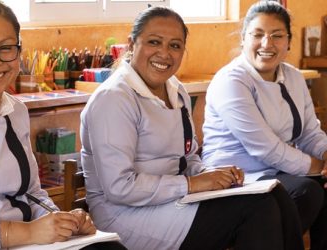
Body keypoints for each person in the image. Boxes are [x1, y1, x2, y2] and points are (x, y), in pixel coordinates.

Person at [80, 5, 304, 250]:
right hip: (125, 216)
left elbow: (187, 159)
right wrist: (192, 185)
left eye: (175, 46)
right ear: (132, 45)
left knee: (276, 195)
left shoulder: (176, 90)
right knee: (255, 209)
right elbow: (119, 188)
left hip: (173, 201)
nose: (164, 54)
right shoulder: (114, 99)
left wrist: (215, 174)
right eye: (154, 42)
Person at [0, 1, 126, 249]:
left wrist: (61, 221)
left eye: (6, 48)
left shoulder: (15, 110)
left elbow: (32, 193)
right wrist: (27, 233)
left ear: (19, 52)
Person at [201, 1, 327, 249]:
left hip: (277, 171)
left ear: (288, 42)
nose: (267, 44)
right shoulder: (231, 80)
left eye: (277, 36)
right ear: (243, 39)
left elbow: (310, 132)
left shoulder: (293, 76)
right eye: (257, 35)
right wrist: (320, 167)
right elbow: (265, 149)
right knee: (306, 191)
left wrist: (326, 153)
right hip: (237, 175)